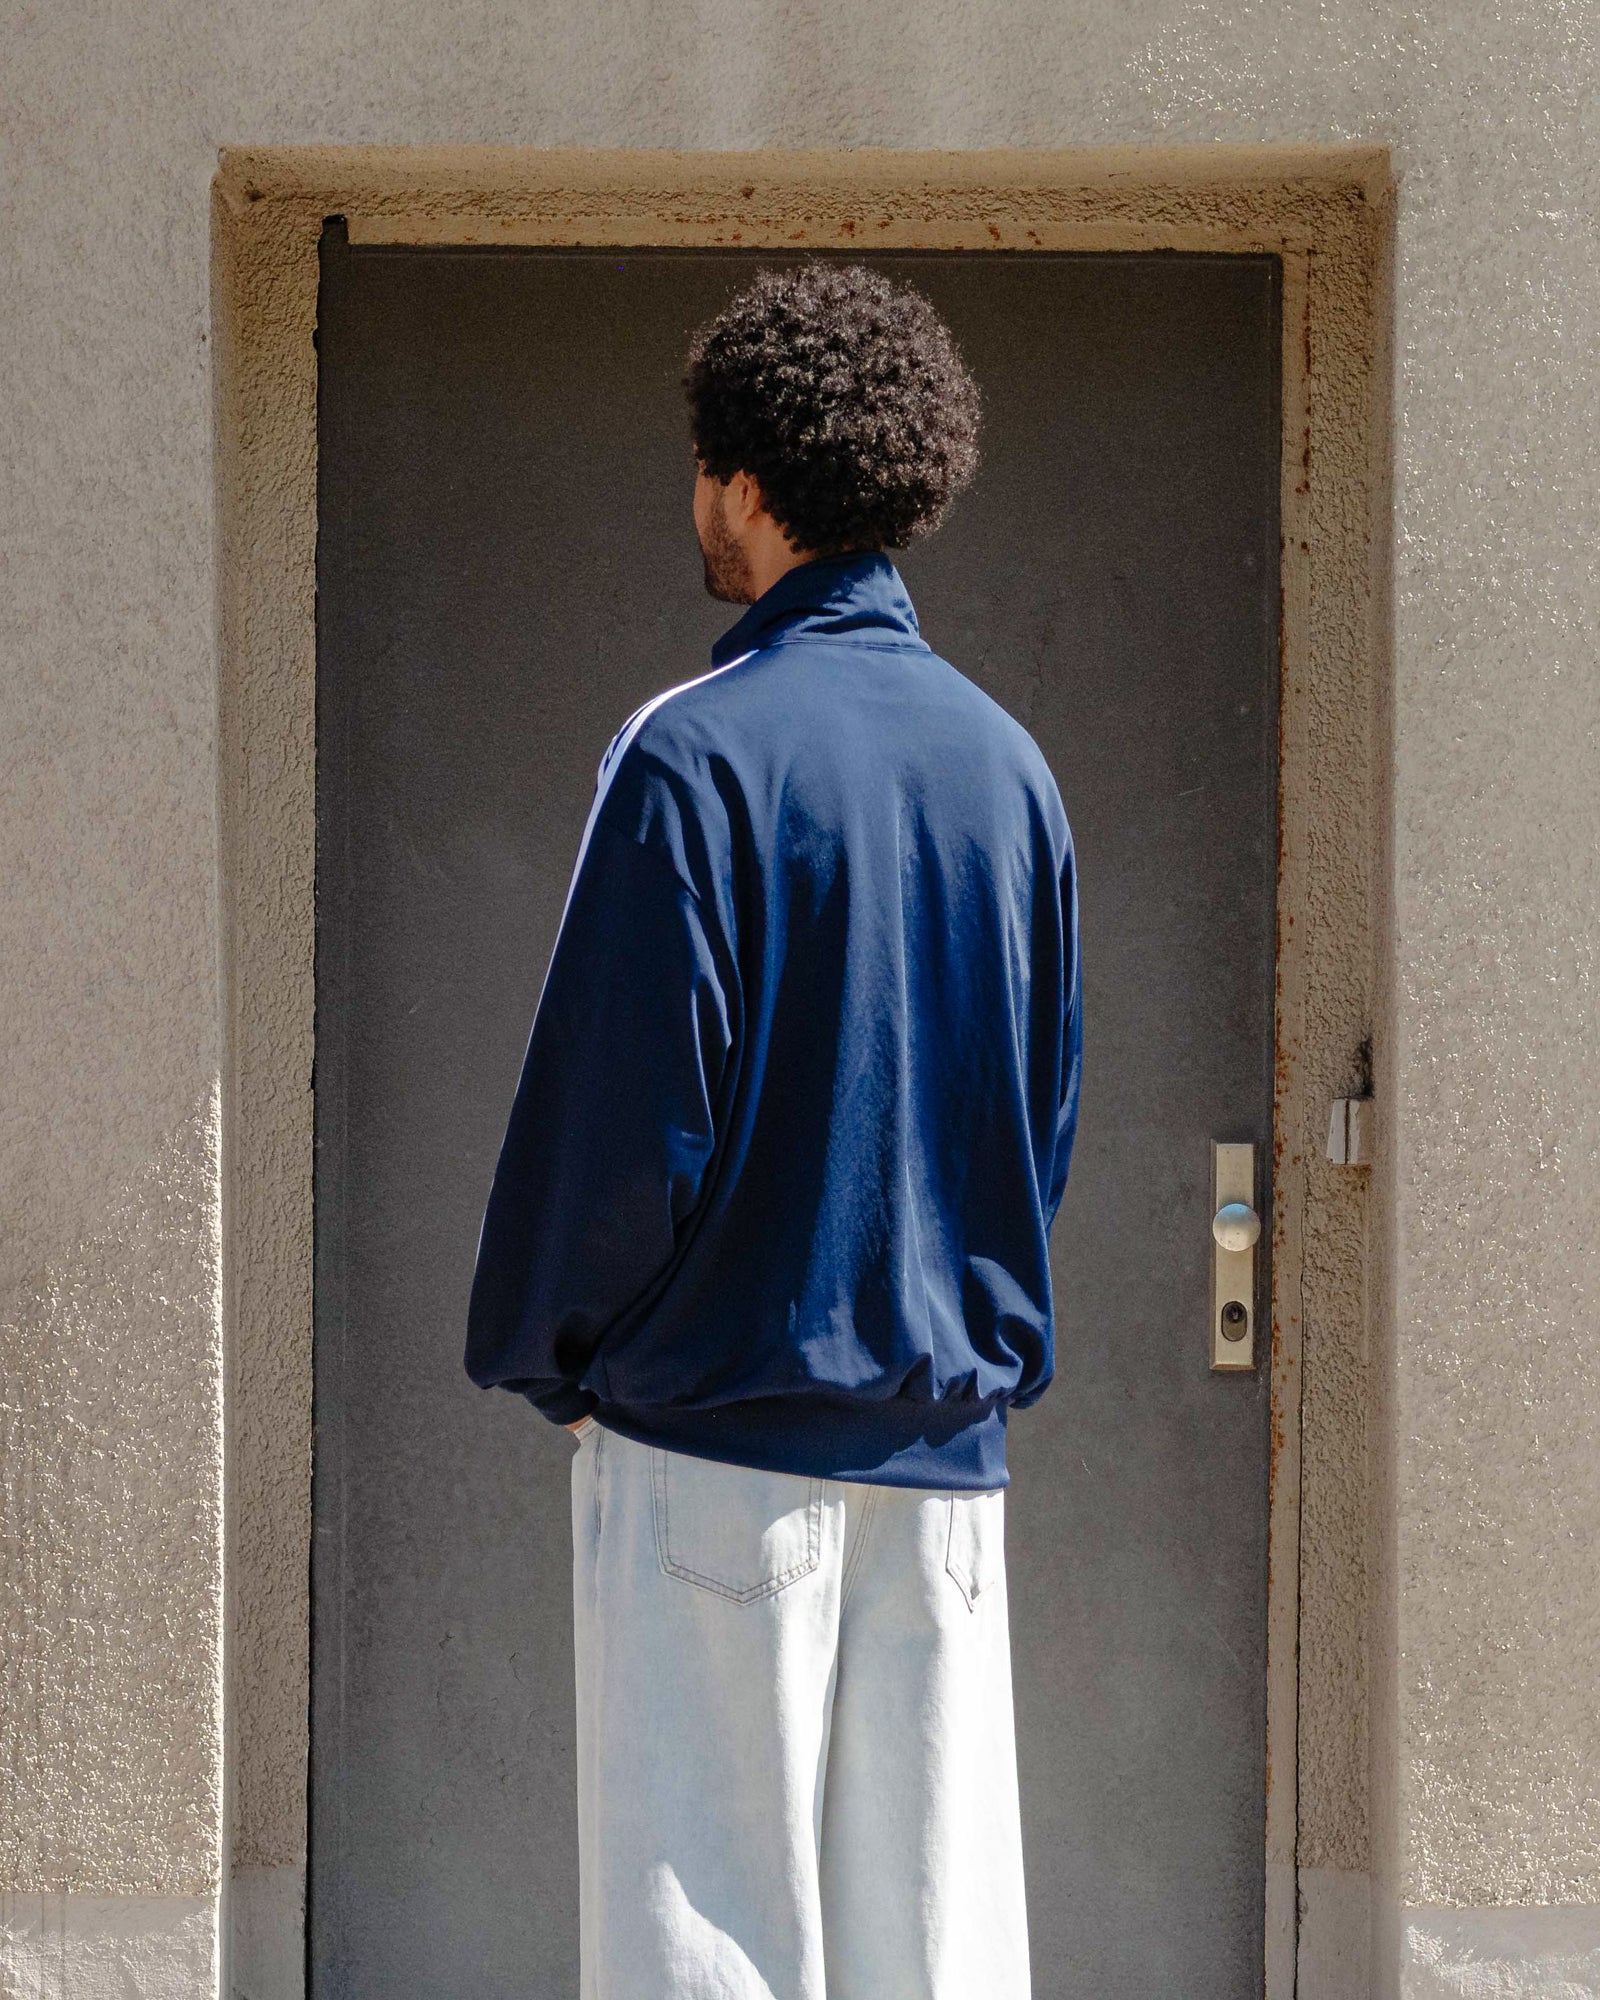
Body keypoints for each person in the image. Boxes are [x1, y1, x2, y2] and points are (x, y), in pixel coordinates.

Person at [465, 260, 1082, 2000]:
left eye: (700, 472)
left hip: (712, 1452)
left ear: (743, 482)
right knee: (937, 1956)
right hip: (943, 1465)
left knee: (706, 1949)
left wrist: (557, 1358)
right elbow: (1037, 1125)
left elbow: (616, 1122)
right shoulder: (1010, 770)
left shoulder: (692, 755)